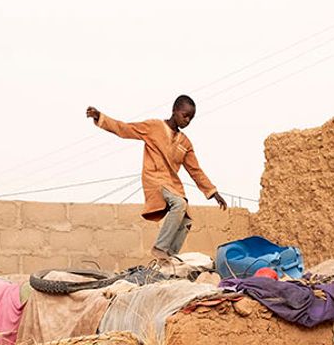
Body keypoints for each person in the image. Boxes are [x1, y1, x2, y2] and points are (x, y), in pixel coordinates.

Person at [85, 95, 227, 261]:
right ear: (175, 111)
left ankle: (169, 257)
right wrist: (100, 117)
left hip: (172, 184)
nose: (187, 120)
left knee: (187, 218)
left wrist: (213, 192)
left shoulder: (185, 143)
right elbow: (124, 129)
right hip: (155, 179)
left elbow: (195, 170)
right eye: (185, 115)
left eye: (191, 118)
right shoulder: (154, 126)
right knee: (179, 204)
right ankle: (160, 247)